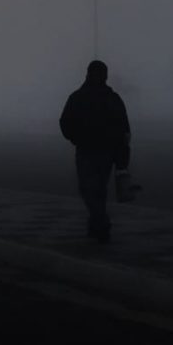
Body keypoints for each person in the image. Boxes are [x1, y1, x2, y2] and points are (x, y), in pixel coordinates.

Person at [59, 60, 131, 243]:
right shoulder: (111, 98)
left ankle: (99, 223)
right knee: (96, 189)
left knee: (90, 189)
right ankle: (98, 224)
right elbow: (124, 130)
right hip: (101, 152)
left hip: (90, 151)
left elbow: (65, 123)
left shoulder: (79, 97)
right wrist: (122, 157)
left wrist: (76, 138)